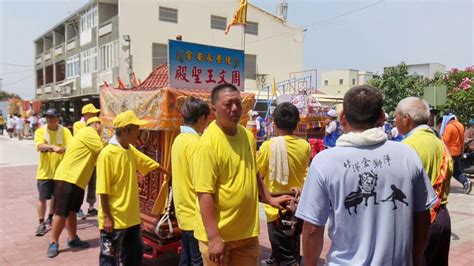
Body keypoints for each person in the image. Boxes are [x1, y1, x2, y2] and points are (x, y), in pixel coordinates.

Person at [296, 85, 437, 266]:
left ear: (342, 118)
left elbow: (312, 229)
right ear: (380, 117)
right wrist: (415, 260)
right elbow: (423, 219)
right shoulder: (407, 155)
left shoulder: (324, 162)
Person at [193, 84, 291, 265]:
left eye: (238, 103)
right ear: (214, 110)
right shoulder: (207, 144)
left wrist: (269, 198)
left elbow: (253, 172)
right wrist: (213, 237)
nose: (235, 109)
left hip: (246, 233)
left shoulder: (247, 136)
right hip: (218, 236)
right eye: (228, 104)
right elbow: (204, 193)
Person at [96, 110, 168, 266]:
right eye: (136, 130)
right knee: (109, 258)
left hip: (132, 217)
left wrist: (167, 172)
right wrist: (107, 217)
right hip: (114, 218)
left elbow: (147, 162)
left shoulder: (129, 149)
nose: (138, 134)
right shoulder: (107, 154)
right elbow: (102, 190)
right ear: (124, 131)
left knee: (134, 254)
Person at [394, 97, 454, 266]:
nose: (394, 121)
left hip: (421, 220)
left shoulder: (406, 147)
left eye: (396, 117)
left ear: (406, 118)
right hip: (442, 217)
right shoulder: (439, 142)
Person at [257, 102, 311, 265]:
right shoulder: (305, 145)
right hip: (298, 204)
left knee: (286, 258)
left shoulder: (268, 146)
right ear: (296, 123)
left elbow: (257, 173)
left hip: (277, 208)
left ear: (274, 123)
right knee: (293, 244)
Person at [46, 117, 104, 258]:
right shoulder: (89, 132)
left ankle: (72, 239)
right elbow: (103, 152)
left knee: (72, 211)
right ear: (96, 125)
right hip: (67, 177)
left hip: (77, 180)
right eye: (102, 125)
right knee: (61, 212)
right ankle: (53, 242)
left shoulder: (89, 135)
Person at [171, 97, 210, 265]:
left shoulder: (179, 140)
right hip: (195, 214)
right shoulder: (195, 143)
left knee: (186, 259)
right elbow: (201, 181)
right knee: (197, 261)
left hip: (183, 212)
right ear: (201, 118)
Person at [34, 108, 73, 236]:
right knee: (42, 198)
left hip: (60, 172)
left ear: (58, 118)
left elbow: (71, 145)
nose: (49, 119)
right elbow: (39, 146)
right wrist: (52, 147)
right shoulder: (40, 131)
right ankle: (41, 222)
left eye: (52, 117)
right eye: (47, 117)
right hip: (44, 172)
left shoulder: (65, 131)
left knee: (55, 198)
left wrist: (65, 148)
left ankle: (50, 218)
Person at [73, 103, 101, 219]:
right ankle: (77, 208)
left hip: (93, 161)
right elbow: (87, 137)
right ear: (86, 114)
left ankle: (91, 207)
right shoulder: (78, 125)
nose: (95, 115)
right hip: (82, 161)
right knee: (80, 185)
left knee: (92, 185)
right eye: (93, 113)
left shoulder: (95, 125)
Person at [440, 112, 472, 194]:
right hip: (457, 152)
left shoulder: (449, 127)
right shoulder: (460, 125)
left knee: (446, 170)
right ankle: (465, 182)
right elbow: (462, 139)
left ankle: (465, 182)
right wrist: (461, 151)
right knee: (455, 170)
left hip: (449, 153)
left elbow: (444, 141)